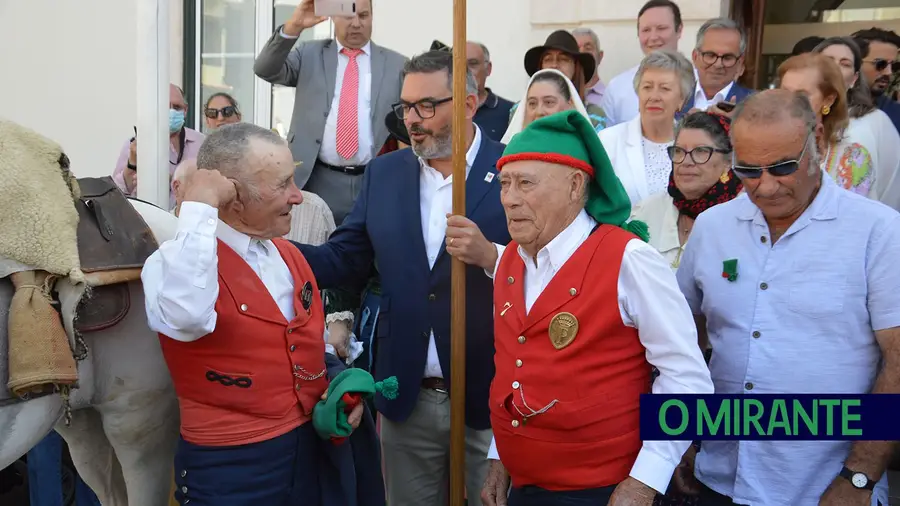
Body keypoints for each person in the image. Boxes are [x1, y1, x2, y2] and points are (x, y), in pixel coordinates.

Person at [294, 50, 510, 506]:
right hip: (406, 394)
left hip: (492, 397)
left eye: (427, 106)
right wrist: (270, 251)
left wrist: (493, 256)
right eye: (406, 106)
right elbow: (346, 258)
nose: (412, 119)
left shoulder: (513, 171)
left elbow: (548, 268)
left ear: (469, 105)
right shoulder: (386, 173)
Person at [675, 88, 900, 506]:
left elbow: (899, 362)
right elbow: (680, 342)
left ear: (817, 141)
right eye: (748, 170)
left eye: (781, 167)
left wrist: (860, 477)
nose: (765, 186)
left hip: (825, 487)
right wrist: (676, 440)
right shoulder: (712, 227)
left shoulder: (878, 232)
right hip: (717, 479)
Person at [477, 109, 713, 506]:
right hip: (525, 486)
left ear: (574, 185)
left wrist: (645, 481)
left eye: (525, 183)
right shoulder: (511, 260)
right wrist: (500, 457)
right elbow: (516, 369)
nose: (510, 198)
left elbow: (687, 379)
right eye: (504, 183)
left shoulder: (630, 260)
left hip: (605, 491)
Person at [140, 123, 375, 505]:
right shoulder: (171, 265)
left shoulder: (289, 255)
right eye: (282, 184)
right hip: (232, 472)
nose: (298, 196)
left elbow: (308, 345)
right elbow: (187, 315)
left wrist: (337, 384)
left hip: (309, 458)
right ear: (231, 194)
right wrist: (199, 208)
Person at [254, 0, 407, 225]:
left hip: (374, 180)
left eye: (363, 16)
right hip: (316, 179)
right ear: (333, 16)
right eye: (348, 16)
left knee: (372, 255)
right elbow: (265, 69)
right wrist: (294, 25)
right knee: (314, 252)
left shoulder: (397, 64)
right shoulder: (309, 54)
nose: (356, 24)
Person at [631, 111, 742, 272]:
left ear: (727, 161)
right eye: (679, 151)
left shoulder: (743, 219)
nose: (686, 162)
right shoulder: (645, 212)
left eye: (701, 151)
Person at [599, 49, 695, 205]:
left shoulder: (692, 147)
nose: (654, 97)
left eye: (664, 88)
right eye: (647, 87)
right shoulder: (608, 141)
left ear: (681, 99)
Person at [815, 36, 900, 210]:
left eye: (845, 63)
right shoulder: (793, 117)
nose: (835, 68)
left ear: (854, 78)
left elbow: (890, 189)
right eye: (828, 61)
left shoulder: (875, 121)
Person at [778, 53, 874, 197]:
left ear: (828, 100)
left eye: (802, 95)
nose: (790, 102)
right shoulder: (761, 149)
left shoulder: (852, 159)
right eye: (784, 93)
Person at [112, 83, 204, 208]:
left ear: (185, 110)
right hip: (147, 221)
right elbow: (116, 193)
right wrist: (131, 166)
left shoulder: (201, 143)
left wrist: (171, 180)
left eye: (177, 107)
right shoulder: (134, 144)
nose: (171, 112)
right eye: (164, 107)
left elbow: (210, 188)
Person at [600, 0, 683, 127]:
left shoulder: (698, 83)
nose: (653, 37)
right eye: (646, 30)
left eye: (661, 28)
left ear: (679, 30)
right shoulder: (617, 88)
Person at [515, 30, 608, 131]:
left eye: (563, 59)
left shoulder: (594, 115)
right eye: (548, 59)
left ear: (576, 67)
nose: (554, 65)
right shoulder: (518, 110)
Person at [683, 18, 754, 115]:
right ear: (695, 57)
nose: (718, 64)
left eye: (727, 57)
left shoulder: (755, 106)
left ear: (740, 64)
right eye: (710, 55)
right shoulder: (675, 99)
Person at [501, 69, 591, 144]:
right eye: (532, 103)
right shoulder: (513, 151)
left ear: (569, 105)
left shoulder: (581, 151)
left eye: (549, 102)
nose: (539, 112)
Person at [852, 27, 900, 135]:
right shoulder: (827, 108)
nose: (889, 72)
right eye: (880, 64)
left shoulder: (896, 115)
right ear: (855, 63)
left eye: (894, 66)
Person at [468, 41, 515, 141]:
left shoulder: (510, 112)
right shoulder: (441, 109)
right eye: (457, 64)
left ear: (488, 69)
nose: (465, 70)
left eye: (472, 64)